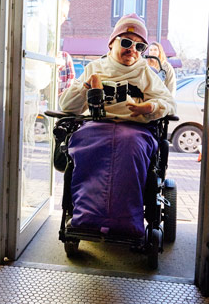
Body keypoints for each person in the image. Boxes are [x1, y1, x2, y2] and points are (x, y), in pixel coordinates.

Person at [58, 14, 176, 237]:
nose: (132, 49)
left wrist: (149, 108)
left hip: (136, 130)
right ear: (112, 43)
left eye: (139, 46)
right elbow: (68, 106)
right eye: (126, 42)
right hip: (96, 126)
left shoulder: (146, 73)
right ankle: (85, 215)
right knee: (83, 144)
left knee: (129, 145)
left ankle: (127, 221)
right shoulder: (95, 67)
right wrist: (84, 86)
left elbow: (169, 103)